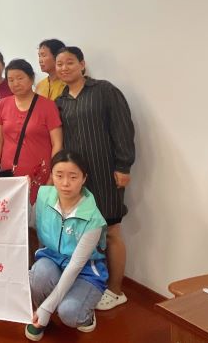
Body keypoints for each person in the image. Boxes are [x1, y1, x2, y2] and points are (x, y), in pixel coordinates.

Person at [55, 46, 135, 311]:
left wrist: (124, 166)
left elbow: (123, 129)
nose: (64, 68)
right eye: (59, 64)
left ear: (82, 64)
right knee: (85, 233)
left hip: (106, 172)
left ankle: (116, 290)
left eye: (69, 62)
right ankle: (91, 284)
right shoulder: (61, 101)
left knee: (111, 231)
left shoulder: (104, 90)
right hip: (77, 179)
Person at [25, 149, 108, 341]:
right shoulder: (44, 196)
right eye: (59, 175)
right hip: (52, 259)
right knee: (39, 275)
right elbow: (29, 222)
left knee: (69, 313)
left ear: (84, 178)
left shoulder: (93, 218)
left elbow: (75, 266)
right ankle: (45, 311)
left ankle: (83, 313)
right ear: (52, 175)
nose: (65, 183)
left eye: (73, 177)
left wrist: (48, 308)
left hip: (84, 270)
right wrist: (24, 195)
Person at [0, 59, 62, 206]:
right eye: (10, 80)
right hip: (9, 175)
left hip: (40, 175)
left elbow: (58, 143)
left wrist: (52, 176)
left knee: (36, 216)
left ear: (31, 78)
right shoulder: (3, 104)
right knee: (11, 214)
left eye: (20, 78)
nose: (15, 83)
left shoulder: (48, 106)